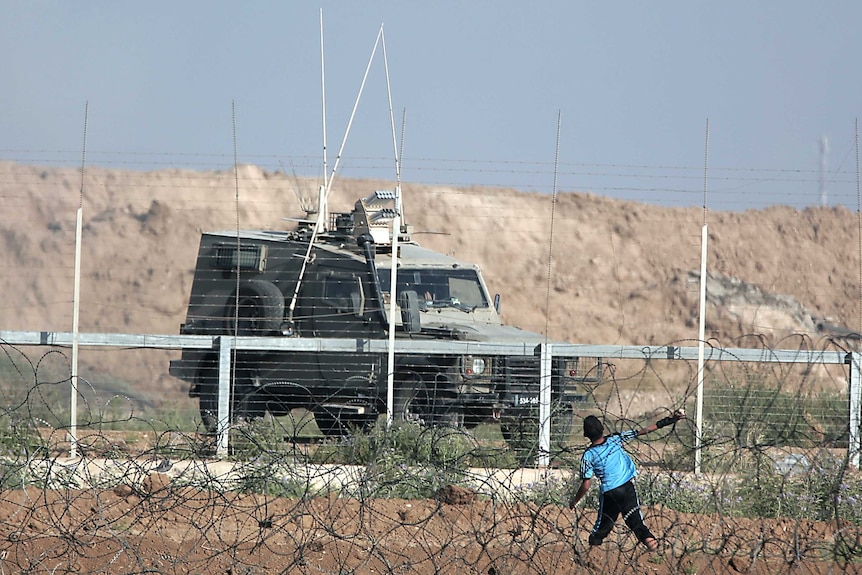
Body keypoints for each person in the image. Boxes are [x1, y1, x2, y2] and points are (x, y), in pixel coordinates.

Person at [568, 409, 686, 551]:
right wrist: (669, 420)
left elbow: (586, 485)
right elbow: (644, 431)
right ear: (602, 428)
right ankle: (653, 545)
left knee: (603, 526)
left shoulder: (588, 455)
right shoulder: (614, 439)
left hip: (610, 493)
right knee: (636, 521)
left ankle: (589, 555)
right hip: (627, 487)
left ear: (585, 434)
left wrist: (575, 501)